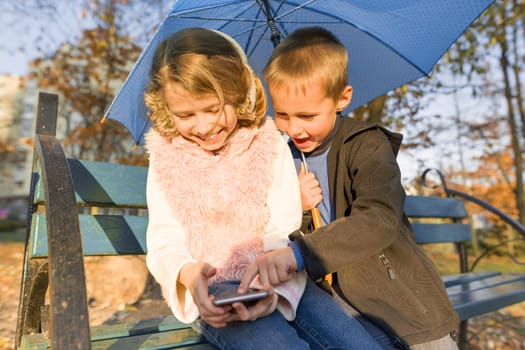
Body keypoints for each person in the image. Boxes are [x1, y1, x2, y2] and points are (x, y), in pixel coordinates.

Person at [143, 27, 382, 350]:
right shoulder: (165, 159)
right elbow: (164, 242)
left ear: (239, 93)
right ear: (165, 109)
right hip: (218, 291)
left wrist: (272, 287)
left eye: (214, 109)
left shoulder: (267, 143)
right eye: (185, 115)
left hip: (281, 278)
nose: (202, 126)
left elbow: (282, 226)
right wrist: (187, 273)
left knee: (359, 345)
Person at [239, 26, 460, 349]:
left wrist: (301, 253)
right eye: (282, 114)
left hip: (399, 299)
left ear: (342, 98)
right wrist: (293, 203)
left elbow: (378, 219)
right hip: (335, 302)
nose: (294, 127)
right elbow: (274, 229)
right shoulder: (284, 158)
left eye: (307, 115)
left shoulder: (367, 145)